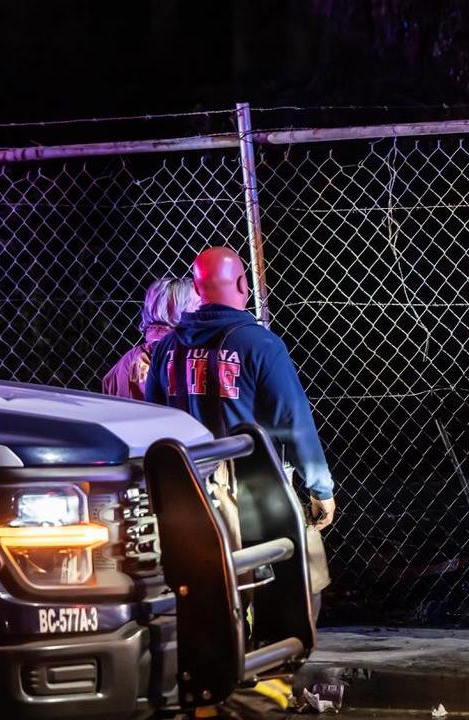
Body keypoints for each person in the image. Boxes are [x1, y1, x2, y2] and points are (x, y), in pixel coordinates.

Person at [144, 247, 336, 610]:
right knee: (303, 579)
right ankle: (276, 657)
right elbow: (292, 421)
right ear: (243, 284)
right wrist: (319, 487)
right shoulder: (260, 345)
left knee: (209, 592)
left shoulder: (167, 348)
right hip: (255, 487)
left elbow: (153, 417)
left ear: (198, 291)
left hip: (185, 487)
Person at [102, 277, 200, 400]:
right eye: (198, 305)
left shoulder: (127, 359)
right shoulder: (185, 355)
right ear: (177, 310)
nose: (204, 311)